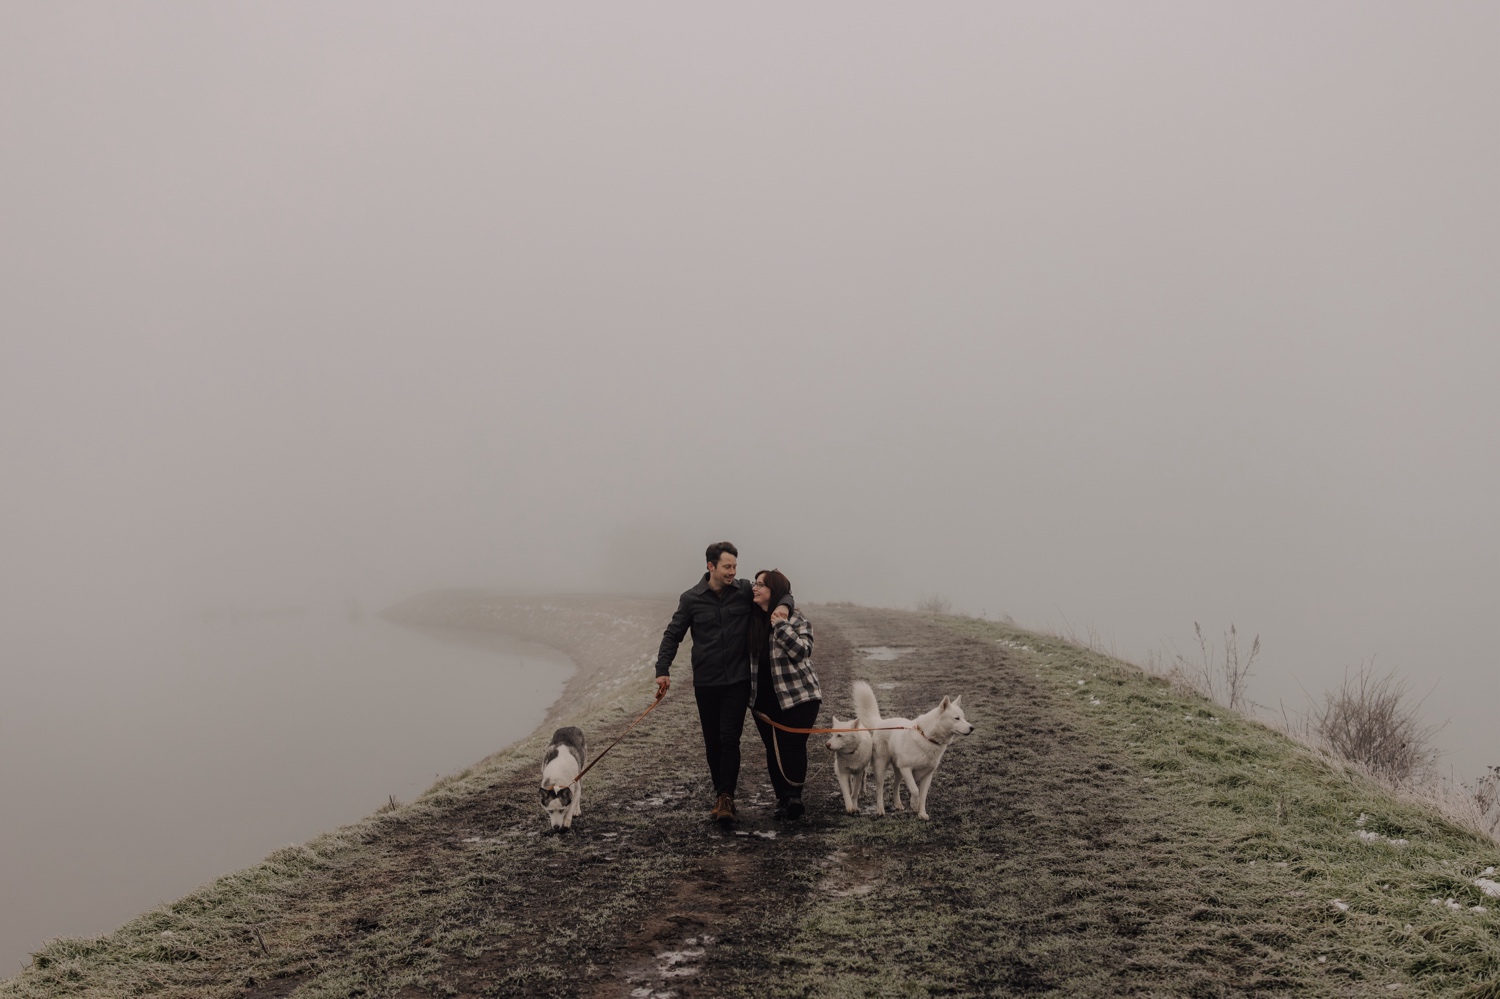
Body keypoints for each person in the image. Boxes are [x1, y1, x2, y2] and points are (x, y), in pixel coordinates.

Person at [655, 542, 793, 825]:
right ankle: (721, 792)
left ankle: (726, 797)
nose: (733, 572)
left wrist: (783, 607)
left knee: (730, 738)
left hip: (737, 682)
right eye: (727, 567)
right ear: (711, 567)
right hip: (706, 682)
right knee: (713, 742)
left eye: (735, 567)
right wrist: (662, 669)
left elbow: (783, 591)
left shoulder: (743, 590)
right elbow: (673, 635)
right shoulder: (691, 598)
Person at [747, 569, 822, 820]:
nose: (754, 588)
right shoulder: (752, 619)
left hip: (799, 696)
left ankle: (793, 798)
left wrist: (780, 624)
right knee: (773, 748)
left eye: (761, 585)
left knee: (793, 746)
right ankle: (782, 798)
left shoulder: (797, 620)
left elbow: (802, 651)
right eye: (755, 584)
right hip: (764, 699)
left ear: (774, 592)